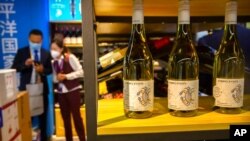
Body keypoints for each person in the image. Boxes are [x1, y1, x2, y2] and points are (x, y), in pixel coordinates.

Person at [11, 29, 52, 141]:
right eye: (33, 41)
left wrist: (43, 70)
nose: (35, 44)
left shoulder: (46, 53)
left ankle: (43, 138)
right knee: (27, 119)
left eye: (38, 42)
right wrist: (25, 64)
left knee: (43, 119)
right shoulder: (22, 52)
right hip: (26, 91)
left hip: (42, 91)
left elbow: (50, 70)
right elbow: (14, 68)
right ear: (29, 39)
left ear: (42, 41)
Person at [51, 34, 85, 141]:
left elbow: (81, 72)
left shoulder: (70, 58)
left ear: (61, 49)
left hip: (73, 91)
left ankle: (82, 139)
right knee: (65, 119)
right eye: (51, 49)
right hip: (61, 93)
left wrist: (66, 76)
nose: (53, 51)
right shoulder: (53, 62)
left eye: (55, 49)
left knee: (77, 118)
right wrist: (57, 78)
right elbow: (54, 79)